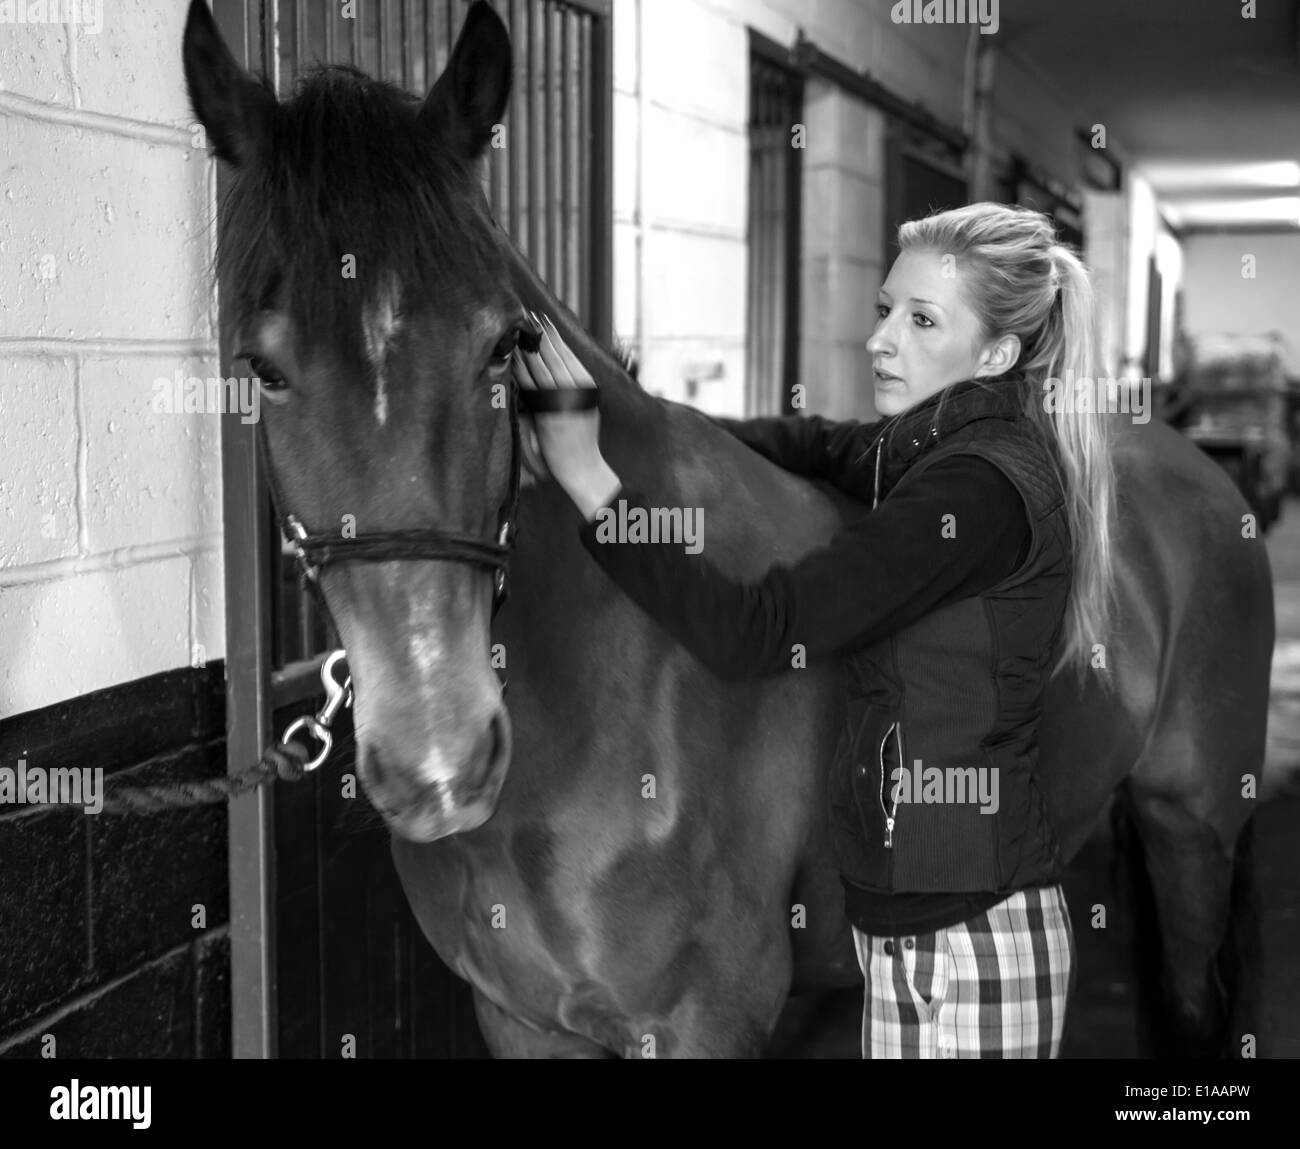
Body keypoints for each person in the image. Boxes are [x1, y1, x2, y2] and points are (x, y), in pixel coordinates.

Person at [511, 202, 1116, 1059]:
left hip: (972, 939)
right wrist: (638, 426)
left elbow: (757, 632)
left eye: (922, 320)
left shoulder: (974, 492)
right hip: (910, 929)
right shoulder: (932, 447)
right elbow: (823, 444)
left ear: (997, 354)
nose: (881, 339)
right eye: (884, 310)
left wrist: (590, 480)